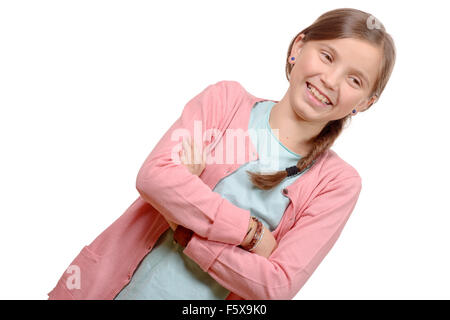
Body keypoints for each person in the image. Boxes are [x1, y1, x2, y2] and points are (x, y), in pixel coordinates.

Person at [47, 8, 396, 300]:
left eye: (355, 80)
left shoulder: (337, 184)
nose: (331, 80)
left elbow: (275, 285)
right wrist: (252, 234)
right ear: (298, 47)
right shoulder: (225, 101)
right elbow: (154, 177)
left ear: (365, 103)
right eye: (327, 56)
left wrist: (185, 226)